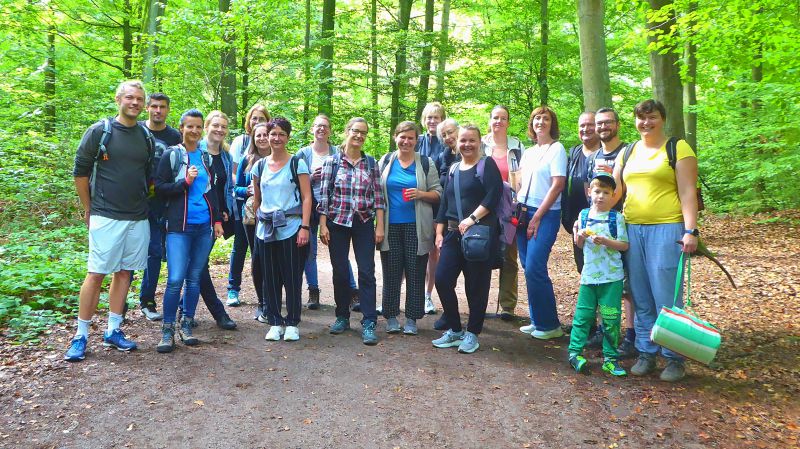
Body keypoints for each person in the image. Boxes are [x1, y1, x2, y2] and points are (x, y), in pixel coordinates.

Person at [65, 80, 154, 361]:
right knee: (96, 273)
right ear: (118, 99)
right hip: (105, 215)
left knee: (125, 272)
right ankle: (80, 335)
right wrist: (88, 208)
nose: (135, 103)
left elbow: (147, 175)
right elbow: (80, 172)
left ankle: (113, 330)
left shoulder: (145, 136)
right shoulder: (100, 131)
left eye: (139, 99)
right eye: (130, 97)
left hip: (137, 217)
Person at [611, 99, 699, 382]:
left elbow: (688, 192)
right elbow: (614, 191)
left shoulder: (677, 148)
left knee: (666, 295)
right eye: (641, 117)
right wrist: (588, 217)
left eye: (652, 117)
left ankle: (674, 358)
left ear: (662, 119)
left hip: (667, 229)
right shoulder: (628, 152)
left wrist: (690, 230)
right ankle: (646, 351)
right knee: (640, 294)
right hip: (632, 229)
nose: (646, 123)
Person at [154, 109, 224, 353]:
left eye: (197, 127)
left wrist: (217, 220)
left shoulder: (205, 157)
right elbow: (159, 187)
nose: (194, 131)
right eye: (189, 126)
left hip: (203, 227)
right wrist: (185, 182)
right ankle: (167, 330)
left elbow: (211, 191)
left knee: (194, 278)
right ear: (181, 128)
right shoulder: (172, 155)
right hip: (178, 227)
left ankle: (187, 325)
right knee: (175, 279)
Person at [431, 124, 502, 354]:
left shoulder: (486, 165)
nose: (467, 144)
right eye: (463, 140)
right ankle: (455, 329)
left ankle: (473, 333)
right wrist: (439, 232)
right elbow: (445, 203)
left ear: (480, 142)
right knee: (442, 279)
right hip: (453, 233)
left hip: (479, 234)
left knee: (476, 286)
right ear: (457, 142)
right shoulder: (453, 168)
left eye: (472, 140)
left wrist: (472, 218)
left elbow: (493, 196)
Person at [318, 117, 385, 346]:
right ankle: (342, 316)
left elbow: (379, 198)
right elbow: (324, 196)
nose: (359, 136)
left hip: (363, 222)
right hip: (337, 222)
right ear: (347, 131)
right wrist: (323, 225)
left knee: (367, 271)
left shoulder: (371, 163)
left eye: (363, 133)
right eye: (356, 131)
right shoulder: (332, 162)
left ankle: (369, 321)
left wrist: (379, 226)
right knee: (340, 272)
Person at [378, 121, 442, 335]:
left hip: (417, 227)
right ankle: (391, 316)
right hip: (390, 226)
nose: (406, 141)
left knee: (416, 272)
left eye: (410, 138)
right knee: (391, 272)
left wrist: (421, 194)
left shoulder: (425, 162)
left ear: (416, 140)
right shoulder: (385, 161)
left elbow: (438, 193)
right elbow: (376, 193)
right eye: (402, 137)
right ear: (395, 137)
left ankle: (412, 319)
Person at [252, 118, 312, 342]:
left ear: (288, 137)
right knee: (269, 277)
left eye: (281, 134)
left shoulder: (297, 163)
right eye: (273, 134)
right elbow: (257, 200)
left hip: (291, 226)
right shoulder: (259, 166)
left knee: (292, 275)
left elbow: (307, 197)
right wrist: (258, 222)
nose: (277, 138)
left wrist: (305, 227)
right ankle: (275, 321)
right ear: (267, 136)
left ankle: (293, 322)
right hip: (266, 229)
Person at [586, 107, 636, 359]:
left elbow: (623, 189)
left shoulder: (628, 152)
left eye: (608, 122)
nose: (603, 127)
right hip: (595, 228)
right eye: (599, 123)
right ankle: (603, 330)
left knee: (626, 284)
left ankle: (631, 335)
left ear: (617, 124)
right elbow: (589, 189)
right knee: (597, 277)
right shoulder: (594, 155)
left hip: (622, 224)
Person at [568, 173, 629, 377]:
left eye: (606, 192)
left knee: (611, 318)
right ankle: (575, 353)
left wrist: (606, 241)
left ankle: (610, 358)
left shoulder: (616, 218)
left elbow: (624, 245)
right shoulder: (583, 215)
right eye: (597, 191)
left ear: (613, 196)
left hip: (612, 277)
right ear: (589, 192)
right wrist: (579, 235)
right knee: (583, 316)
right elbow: (579, 244)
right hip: (589, 276)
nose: (601, 196)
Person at [296, 114, 359, 310]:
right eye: (318, 126)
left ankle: (352, 291)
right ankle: (313, 291)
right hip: (308, 206)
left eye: (325, 126)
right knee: (309, 251)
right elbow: (294, 182)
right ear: (312, 129)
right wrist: (310, 178)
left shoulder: (338, 153)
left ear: (330, 130)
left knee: (338, 250)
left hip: (332, 207)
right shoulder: (303, 154)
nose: (321, 129)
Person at [516, 106, 566, 340]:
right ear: (532, 123)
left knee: (535, 266)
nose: (541, 122)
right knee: (528, 267)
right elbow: (520, 182)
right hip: (523, 211)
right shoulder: (528, 152)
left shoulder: (557, 149)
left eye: (546, 119)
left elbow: (557, 185)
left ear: (551, 124)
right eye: (537, 118)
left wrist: (537, 217)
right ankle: (537, 319)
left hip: (545, 214)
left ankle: (550, 325)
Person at [191, 110, 236, 330]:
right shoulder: (195, 151)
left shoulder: (226, 156)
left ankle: (184, 310)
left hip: (216, 218)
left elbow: (225, 187)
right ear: (207, 127)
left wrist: (225, 210)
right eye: (215, 125)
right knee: (199, 264)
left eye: (223, 126)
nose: (219, 129)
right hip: (196, 215)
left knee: (197, 264)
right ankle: (218, 313)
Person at [138, 92, 182, 321]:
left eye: (162, 107)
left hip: (164, 202)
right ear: (147, 107)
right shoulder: (137, 131)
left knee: (158, 252)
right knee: (133, 254)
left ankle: (150, 301)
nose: (158, 110)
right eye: (154, 106)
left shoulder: (174, 136)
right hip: (136, 202)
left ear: (167, 109)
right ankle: (126, 305)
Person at [481, 105, 525, 321]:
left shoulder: (517, 146)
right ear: (490, 120)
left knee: (509, 257)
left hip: (509, 209)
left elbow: (524, 176)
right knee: (482, 254)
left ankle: (507, 306)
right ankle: (479, 303)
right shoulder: (480, 145)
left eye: (503, 118)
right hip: (484, 206)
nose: (498, 121)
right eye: (495, 117)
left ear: (508, 122)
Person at [227, 104, 271, 306]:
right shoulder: (243, 148)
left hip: (270, 212)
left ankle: (269, 293)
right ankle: (234, 289)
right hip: (246, 209)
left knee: (265, 253)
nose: (257, 122)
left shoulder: (277, 155)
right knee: (242, 247)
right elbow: (234, 180)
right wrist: (247, 190)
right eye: (254, 118)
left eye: (262, 119)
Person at [234, 123, 269, 320]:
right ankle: (262, 302)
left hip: (275, 216)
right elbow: (236, 188)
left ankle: (273, 298)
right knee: (257, 257)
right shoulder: (246, 160)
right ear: (253, 139)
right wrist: (246, 190)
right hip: (252, 216)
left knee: (272, 258)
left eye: (265, 134)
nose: (262, 138)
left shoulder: (280, 159)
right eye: (258, 135)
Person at [431, 118, 461, 331]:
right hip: (449, 220)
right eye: (444, 135)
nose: (448, 137)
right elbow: (442, 189)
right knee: (444, 275)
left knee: (472, 277)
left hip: (472, 223)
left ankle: (473, 323)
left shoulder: (476, 154)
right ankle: (450, 315)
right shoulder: (444, 156)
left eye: (451, 132)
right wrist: (439, 226)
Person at [416, 102, 446, 314]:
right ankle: (406, 294)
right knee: (413, 248)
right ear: (424, 120)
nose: (432, 121)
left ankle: (428, 295)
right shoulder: (417, 141)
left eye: (436, 117)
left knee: (434, 251)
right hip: (416, 201)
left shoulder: (448, 143)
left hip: (438, 203)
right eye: (429, 117)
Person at [561, 111, 600, 274]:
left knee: (604, 266)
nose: (585, 129)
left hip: (602, 222)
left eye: (590, 124)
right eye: (582, 125)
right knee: (582, 267)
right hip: (577, 221)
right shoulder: (574, 153)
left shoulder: (607, 153)